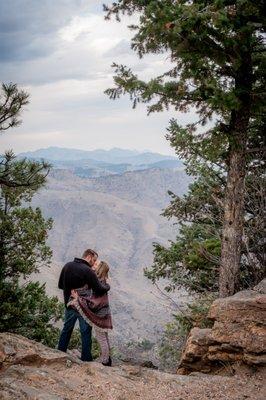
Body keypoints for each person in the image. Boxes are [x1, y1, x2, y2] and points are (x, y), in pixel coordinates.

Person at [57, 249, 110, 361]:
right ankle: (86, 359)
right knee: (85, 332)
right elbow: (99, 289)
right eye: (94, 260)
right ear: (89, 257)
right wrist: (108, 286)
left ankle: (60, 352)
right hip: (83, 307)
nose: (93, 263)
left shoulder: (67, 266)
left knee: (67, 329)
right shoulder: (88, 271)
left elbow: (61, 285)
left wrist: (70, 291)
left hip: (69, 304)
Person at [69, 261, 113, 366]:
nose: (94, 266)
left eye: (96, 265)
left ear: (100, 269)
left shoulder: (98, 283)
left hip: (100, 315)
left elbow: (93, 302)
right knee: (105, 337)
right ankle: (107, 358)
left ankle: (105, 361)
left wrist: (77, 298)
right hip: (105, 313)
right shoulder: (103, 282)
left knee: (101, 338)